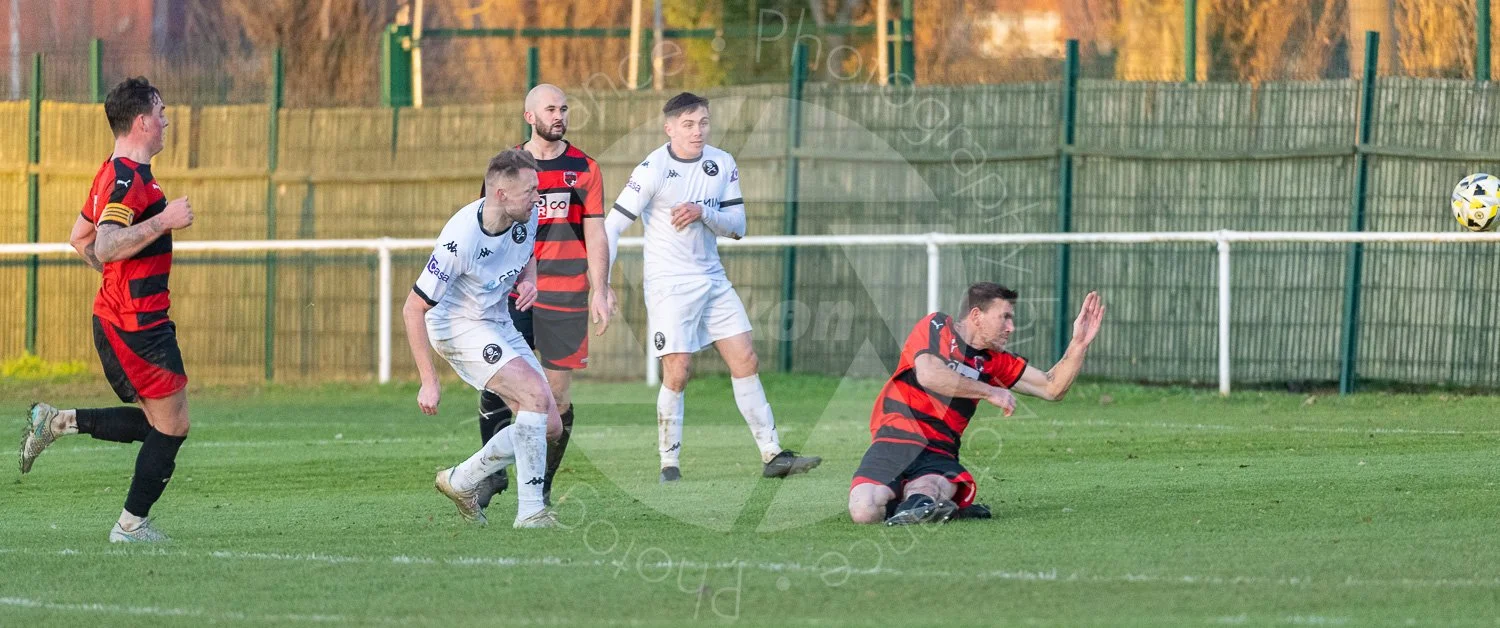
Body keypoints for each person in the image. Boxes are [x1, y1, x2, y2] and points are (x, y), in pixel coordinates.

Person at [603, 92, 820, 483]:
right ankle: (669, 463)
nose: (697, 131)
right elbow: (612, 226)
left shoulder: (722, 163)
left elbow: (738, 227)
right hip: (669, 284)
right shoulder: (652, 168)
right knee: (678, 370)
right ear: (669, 128)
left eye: (703, 122)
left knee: (746, 359)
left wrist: (703, 212)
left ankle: (772, 454)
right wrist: (602, 283)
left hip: (713, 279)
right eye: (688, 124)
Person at [19, 77, 197, 543]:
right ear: (141, 122)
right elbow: (105, 243)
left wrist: (118, 276)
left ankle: (58, 422)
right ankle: (130, 526)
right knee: (172, 426)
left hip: (128, 319)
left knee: (163, 424)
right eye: (160, 113)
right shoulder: (128, 179)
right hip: (136, 326)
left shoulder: (112, 172)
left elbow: (79, 237)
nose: (166, 121)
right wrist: (164, 221)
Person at [848, 284, 1105, 525]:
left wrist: (1079, 344)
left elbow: (1052, 388)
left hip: (939, 451)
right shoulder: (937, 326)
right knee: (864, 511)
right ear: (976, 315)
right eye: (1004, 317)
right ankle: (929, 507)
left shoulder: (996, 361)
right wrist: (989, 391)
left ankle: (921, 504)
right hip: (894, 439)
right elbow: (929, 374)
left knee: (925, 493)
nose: (1011, 327)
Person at [403, 149, 562, 528]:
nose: (538, 197)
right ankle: (531, 513)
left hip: (496, 321)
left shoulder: (526, 214)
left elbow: (526, 253)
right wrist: (428, 381)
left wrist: (530, 280)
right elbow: (412, 308)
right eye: (530, 191)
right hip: (457, 327)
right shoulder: (460, 239)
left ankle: (461, 480)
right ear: (501, 194)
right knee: (534, 397)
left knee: (550, 425)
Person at [472, 84, 611, 509]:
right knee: (495, 385)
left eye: (564, 108)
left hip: (566, 296)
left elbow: (595, 232)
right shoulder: (507, 168)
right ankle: (492, 473)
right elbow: (487, 229)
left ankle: (541, 488)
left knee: (556, 399)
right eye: (551, 108)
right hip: (514, 293)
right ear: (529, 116)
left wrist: (601, 289)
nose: (559, 115)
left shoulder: (584, 168)